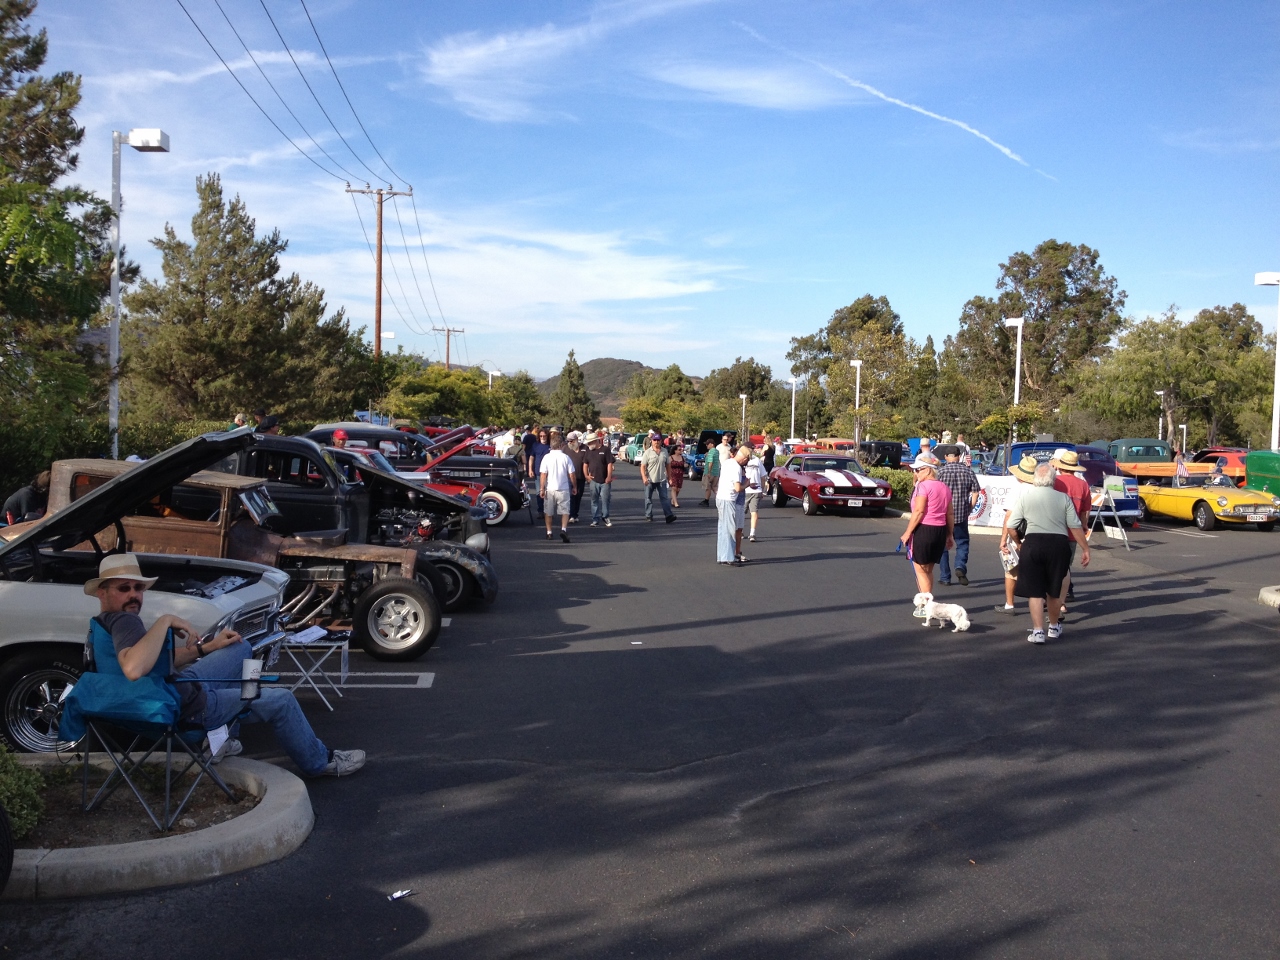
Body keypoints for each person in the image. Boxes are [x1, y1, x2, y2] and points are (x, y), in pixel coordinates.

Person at [83, 553, 364, 776]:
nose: (134, 595)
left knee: (240, 647)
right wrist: (165, 620)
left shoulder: (103, 624)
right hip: (186, 707)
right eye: (124, 588)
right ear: (102, 593)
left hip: (168, 687)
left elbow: (153, 662)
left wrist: (209, 647)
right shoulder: (125, 621)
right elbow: (134, 669)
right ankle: (319, 762)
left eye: (138, 588)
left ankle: (223, 738)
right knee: (282, 700)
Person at [1003, 462, 1090, 643]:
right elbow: (1075, 526)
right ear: (1053, 479)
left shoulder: (1026, 497)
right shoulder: (1063, 498)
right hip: (1058, 544)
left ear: (1035, 479)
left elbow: (1011, 526)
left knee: (1035, 591)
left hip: (1033, 542)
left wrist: (1018, 542)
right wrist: (1085, 548)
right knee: (1054, 590)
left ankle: (1037, 631)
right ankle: (1053, 626)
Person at [899, 454, 953, 615]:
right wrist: (949, 534)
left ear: (928, 470)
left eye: (918, 470)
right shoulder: (944, 487)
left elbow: (919, 511)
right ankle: (927, 605)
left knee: (920, 570)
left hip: (924, 529)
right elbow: (950, 514)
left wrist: (907, 532)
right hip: (939, 530)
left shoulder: (923, 487)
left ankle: (925, 607)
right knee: (928, 570)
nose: (915, 473)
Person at [995, 454, 1036, 616]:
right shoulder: (1042, 490)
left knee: (1011, 570)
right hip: (1038, 534)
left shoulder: (1017, 490)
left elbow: (1009, 517)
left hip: (1018, 534)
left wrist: (1003, 540)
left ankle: (1010, 604)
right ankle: (1040, 602)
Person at [1051, 449, 1091, 607]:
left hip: (1053, 530)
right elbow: (1085, 511)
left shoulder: (1054, 482)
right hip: (1072, 533)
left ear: (1060, 466)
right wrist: (1084, 526)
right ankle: (1061, 602)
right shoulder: (1083, 485)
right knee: (1065, 568)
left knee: (1051, 567)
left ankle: (1053, 600)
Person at [937, 445, 981, 586]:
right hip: (961, 513)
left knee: (943, 546)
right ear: (959, 456)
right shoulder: (968, 472)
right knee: (962, 543)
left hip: (943, 514)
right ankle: (960, 566)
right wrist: (970, 507)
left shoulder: (941, 472)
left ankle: (945, 577)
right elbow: (976, 492)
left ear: (945, 457)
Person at [716, 444, 750, 565]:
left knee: (722, 528)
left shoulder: (727, 462)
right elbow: (737, 488)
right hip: (728, 499)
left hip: (720, 497)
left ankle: (722, 556)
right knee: (730, 529)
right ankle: (730, 557)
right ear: (744, 458)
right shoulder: (737, 467)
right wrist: (746, 484)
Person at [539, 436, 576, 542]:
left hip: (550, 488)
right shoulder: (566, 457)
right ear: (561, 445)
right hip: (563, 488)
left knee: (548, 512)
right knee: (565, 511)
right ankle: (563, 529)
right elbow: (572, 474)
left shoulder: (546, 457)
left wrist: (542, 488)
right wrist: (574, 486)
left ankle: (549, 532)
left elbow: (543, 475)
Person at [640, 434, 677, 523]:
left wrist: (669, 478)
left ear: (661, 441)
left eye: (658, 440)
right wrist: (644, 477)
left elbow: (668, 465)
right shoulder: (648, 452)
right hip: (650, 480)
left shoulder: (664, 451)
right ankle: (648, 515)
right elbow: (643, 466)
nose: (656, 442)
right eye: (655, 440)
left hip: (661, 479)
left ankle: (668, 516)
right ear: (652, 441)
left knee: (664, 498)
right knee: (648, 498)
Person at [583, 431, 615, 527]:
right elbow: (585, 464)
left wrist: (609, 476)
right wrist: (586, 476)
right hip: (593, 480)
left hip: (605, 480)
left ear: (595, 441)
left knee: (605, 500)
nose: (589, 445)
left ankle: (605, 517)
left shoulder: (605, 450)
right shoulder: (588, 451)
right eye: (588, 443)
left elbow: (610, 463)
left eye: (590, 442)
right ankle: (595, 519)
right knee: (594, 500)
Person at [744, 443, 767, 542]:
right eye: (750, 448)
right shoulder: (743, 460)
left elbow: (763, 477)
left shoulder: (756, 460)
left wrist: (761, 490)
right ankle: (742, 531)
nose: (751, 450)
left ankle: (752, 533)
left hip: (754, 490)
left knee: (752, 512)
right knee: (742, 512)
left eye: (752, 449)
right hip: (744, 489)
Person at [528, 428, 552, 517]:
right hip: (538, 472)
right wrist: (530, 469)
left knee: (549, 493)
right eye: (541, 436)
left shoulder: (551, 445)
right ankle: (540, 511)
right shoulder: (535, 445)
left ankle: (548, 511)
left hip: (550, 473)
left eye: (544, 436)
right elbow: (531, 457)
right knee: (539, 492)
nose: (543, 437)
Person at [565, 431, 587, 523]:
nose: (570, 443)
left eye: (572, 441)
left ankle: (575, 514)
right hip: (569, 477)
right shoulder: (565, 449)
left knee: (578, 495)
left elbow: (588, 462)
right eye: (569, 441)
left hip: (581, 477)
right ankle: (571, 515)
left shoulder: (585, 448)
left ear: (576, 439)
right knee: (571, 496)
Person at [700, 437, 721, 506]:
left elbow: (710, 462)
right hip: (716, 472)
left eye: (707, 444)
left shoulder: (711, 452)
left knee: (708, 487)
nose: (706, 445)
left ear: (712, 444)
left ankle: (706, 501)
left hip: (710, 473)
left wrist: (708, 472)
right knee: (714, 487)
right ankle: (721, 499)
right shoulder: (717, 451)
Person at [668, 442, 687, 508]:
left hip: (680, 474)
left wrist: (685, 465)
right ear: (675, 450)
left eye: (681, 449)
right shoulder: (671, 457)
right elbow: (668, 467)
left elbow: (684, 465)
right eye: (679, 449)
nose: (681, 450)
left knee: (678, 489)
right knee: (674, 488)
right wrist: (667, 475)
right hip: (673, 474)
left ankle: (673, 499)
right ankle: (676, 503)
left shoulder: (682, 458)